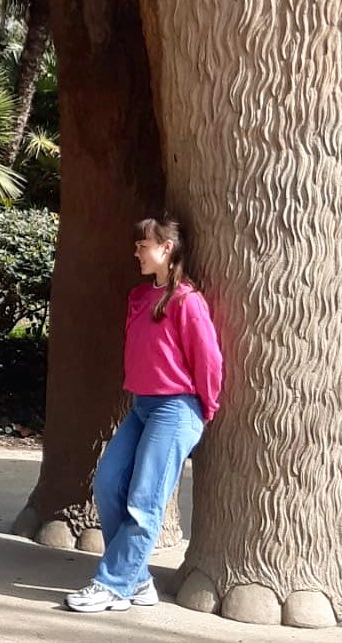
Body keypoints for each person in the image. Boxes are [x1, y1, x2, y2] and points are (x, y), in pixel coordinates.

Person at [65, 215, 223, 614]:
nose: (136, 252)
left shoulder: (188, 301)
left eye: (143, 245)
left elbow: (209, 361)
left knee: (144, 501)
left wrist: (206, 409)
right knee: (106, 483)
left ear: (166, 249)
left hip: (177, 407)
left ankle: (112, 584)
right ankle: (137, 581)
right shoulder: (138, 297)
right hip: (142, 406)